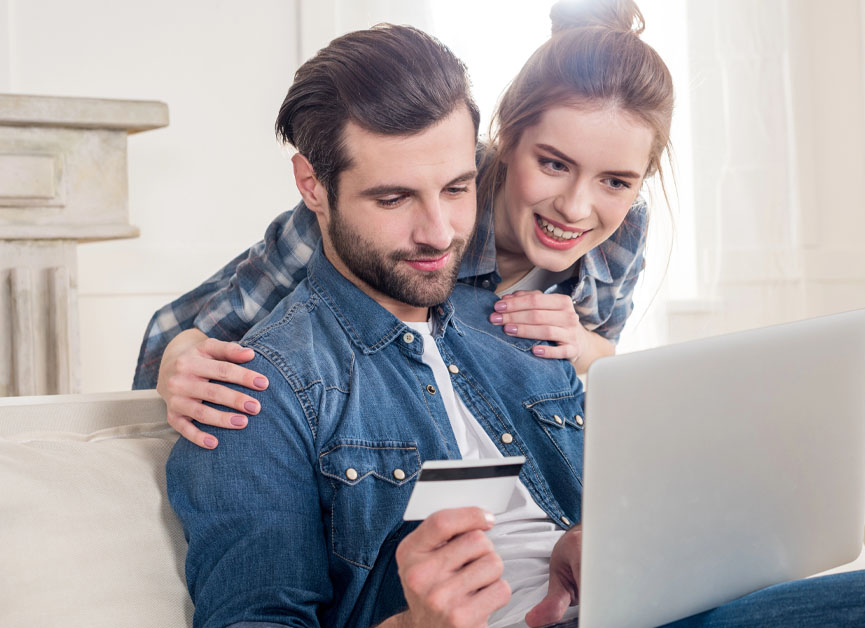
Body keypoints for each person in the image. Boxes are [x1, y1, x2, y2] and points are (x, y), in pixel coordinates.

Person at [166, 19, 865, 628]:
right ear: (313, 189)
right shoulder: (257, 380)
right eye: (394, 198)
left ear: (480, 161)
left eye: (456, 188)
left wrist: (605, 548)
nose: (440, 231)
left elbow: (641, 495)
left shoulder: (538, 323)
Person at [134, 0, 669, 452]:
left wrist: (580, 343)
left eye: (617, 181)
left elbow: (599, 367)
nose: (576, 209)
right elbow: (183, 337)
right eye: (553, 164)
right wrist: (180, 356)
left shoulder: (622, 231)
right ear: (507, 139)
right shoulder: (367, 211)